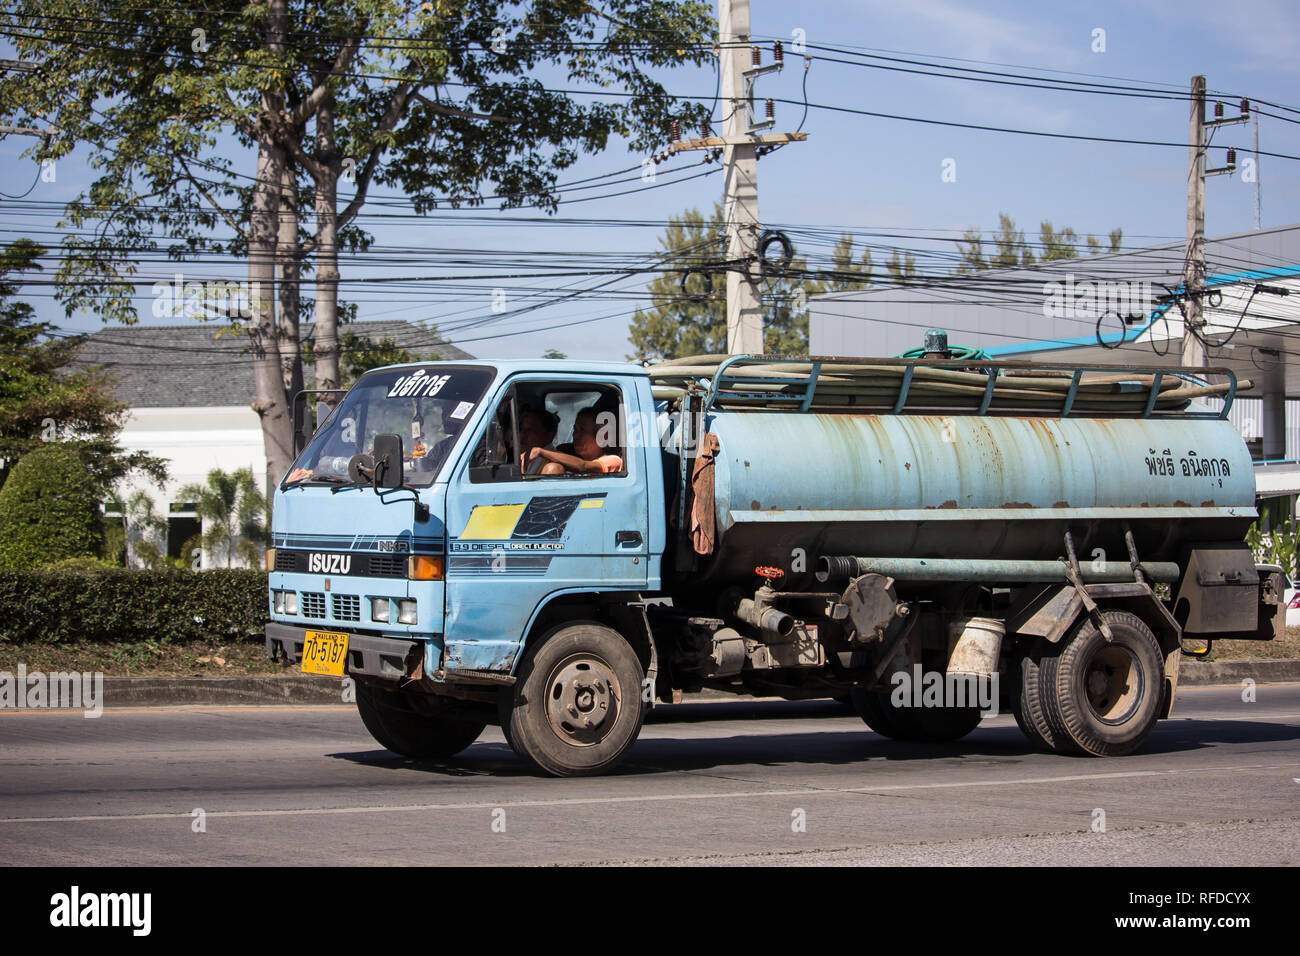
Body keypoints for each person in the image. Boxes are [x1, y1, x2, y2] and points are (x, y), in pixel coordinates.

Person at [524, 406, 623, 476]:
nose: (575, 435)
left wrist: (540, 452)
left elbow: (583, 466)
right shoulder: (569, 456)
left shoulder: (613, 460)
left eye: (582, 431)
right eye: (575, 429)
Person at [518, 406, 560, 475]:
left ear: (549, 435)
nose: (522, 435)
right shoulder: (526, 458)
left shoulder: (552, 465)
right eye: (522, 429)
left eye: (529, 430)